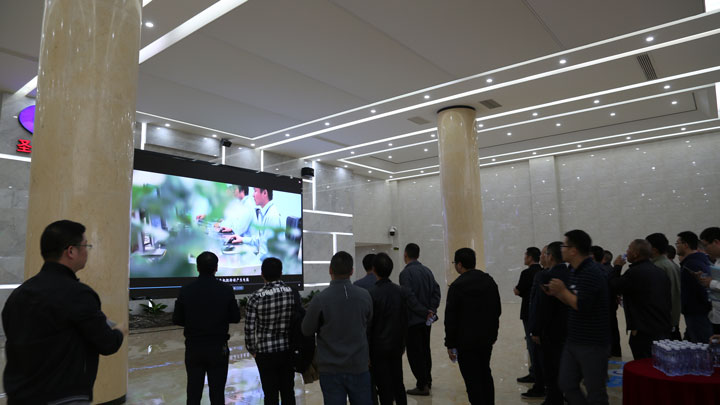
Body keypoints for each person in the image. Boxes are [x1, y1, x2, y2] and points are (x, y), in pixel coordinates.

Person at [2, 220, 126, 404]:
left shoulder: (18, 294)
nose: (87, 252)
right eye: (86, 246)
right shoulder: (79, 294)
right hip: (63, 397)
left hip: (19, 396)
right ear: (71, 251)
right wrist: (120, 331)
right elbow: (107, 343)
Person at [546, 230, 609, 405]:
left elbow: (582, 304)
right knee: (566, 384)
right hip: (574, 339)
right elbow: (572, 301)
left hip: (592, 342)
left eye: (564, 245)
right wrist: (558, 294)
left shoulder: (591, 272)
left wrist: (562, 290)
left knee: (595, 392)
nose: (561, 249)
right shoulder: (574, 271)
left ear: (573, 250)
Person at [302, 251, 373, 405]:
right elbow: (368, 323)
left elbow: (306, 330)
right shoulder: (365, 296)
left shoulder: (320, 299)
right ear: (352, 271)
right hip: (358, 365)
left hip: (330, 368)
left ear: (330, 270)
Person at [173, 251, 242, 405]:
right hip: (218, 347)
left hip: (194, 347)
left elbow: (177, 319)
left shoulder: (186, 289)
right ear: (216, 268)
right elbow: (235, 317)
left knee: (193, 391)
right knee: (217, 393)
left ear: (197, 267)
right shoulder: (226, 289)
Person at [367, 253, 430, 405]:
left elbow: (369, 324)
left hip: (377, 348)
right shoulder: (400, 291)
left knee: (383, 386)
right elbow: (405, 318)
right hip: (396, 345)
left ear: (374, 269)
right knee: (398, 382)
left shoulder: (370, 294)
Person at [445, 247, 501, 405]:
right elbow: (497, 310)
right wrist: (493, 334)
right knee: (485, 373)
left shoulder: (457, 286)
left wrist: (450, 344)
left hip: (465, 342)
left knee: (472, 379)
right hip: (486, 340)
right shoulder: (489, 281)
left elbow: (451, 318)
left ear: (460, 264)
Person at [245, 257, 297, 405]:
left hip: (265, 353)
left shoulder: (255, 297)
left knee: (270, 394)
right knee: (288, 391)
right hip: (287, 350)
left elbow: (249, 328)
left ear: (262, 274)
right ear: (281, 273)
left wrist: (253, 350)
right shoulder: (292, 293)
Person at [611, 240, 672, 359]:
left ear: (636, 253)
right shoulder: (660, 272)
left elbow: (614, 286)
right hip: (662, 328)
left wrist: (617, 266)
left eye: (629, 248)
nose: (626, 252)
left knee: (644, 364)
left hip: (644, 331)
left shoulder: (634, 272)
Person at [399, 243, 441, 396]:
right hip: (426, 321)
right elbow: (436, 292)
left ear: (405, 255)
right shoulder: (427, 271)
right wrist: (431, 311)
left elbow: (409, 297)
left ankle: (422, 385)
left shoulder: (405, 274)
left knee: (415, 353)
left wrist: (424, 312)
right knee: (425, 350)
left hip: (413, 321)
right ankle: (427, 380)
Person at [535, 242, 570, 405]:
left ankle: (554, 400)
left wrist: (536, 330)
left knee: (551, 368)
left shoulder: (546, 276)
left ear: (551, 256)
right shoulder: (571, 273)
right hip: (568, 329)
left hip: (551, 330)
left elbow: (542, 307)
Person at [676, 231, 713, 343]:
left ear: (685, 245)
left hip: (698, 313)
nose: (676, 246)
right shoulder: (695, 261)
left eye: (677, 243)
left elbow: (703, 289)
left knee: (701, 345)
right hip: (696, 312)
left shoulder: (692, 264)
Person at [514, 247, 543, 384]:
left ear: (530, 257)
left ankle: (535, 374)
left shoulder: (526, 273)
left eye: (526, 255)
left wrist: (520, 291)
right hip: (540, 312)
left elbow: (518, 290)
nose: (524, 257)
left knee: (531, 344)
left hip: (528, 312)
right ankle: (540, 372)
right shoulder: (542, 272)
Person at [646, 233, 682, 340]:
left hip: (661, 320)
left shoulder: (657, 267)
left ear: (654, 249)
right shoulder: (673, 265)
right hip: (672, 317)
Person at [229, 187, 282, 259]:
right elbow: (260, 240)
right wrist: (242, 239)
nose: (253, 195)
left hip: (267, 262)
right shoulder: (264, 213)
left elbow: (267, 253)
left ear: (265, 193)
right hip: (262, 258)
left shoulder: (272, 216)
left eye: (255, 191)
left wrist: (254, 261)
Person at [592, 245, 621, 358]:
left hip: (604, 307)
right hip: (611, 305)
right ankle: (615, 351)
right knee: (613, 329)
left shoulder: (599, 271)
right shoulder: (610, 269)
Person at [695, 227, 720, 334]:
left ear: (716, 242)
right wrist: (704, 282)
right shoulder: (717, 262)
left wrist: (711, 283)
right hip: (716, 317)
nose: (705, 250)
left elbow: (715, 284)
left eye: (706, 246)